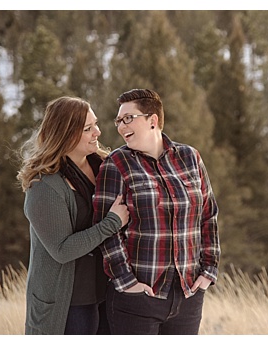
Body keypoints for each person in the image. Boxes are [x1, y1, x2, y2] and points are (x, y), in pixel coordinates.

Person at [93, 89, 220, 334]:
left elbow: (208, 215)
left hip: (188, 294)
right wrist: (127, 282)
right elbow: (106, 229)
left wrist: (209, 270)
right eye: (119, 120)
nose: (121, 126)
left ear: (152, 120)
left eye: (128, 118)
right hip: (137, 299)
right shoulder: (116, 164)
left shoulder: (190, 158)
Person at [17, 97, 132, 335]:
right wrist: (111, 223)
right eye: (88, 129)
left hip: (108, 292)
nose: (97, 132)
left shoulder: (104, 166)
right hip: (70, 304)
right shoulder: (44, 186)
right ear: (66, 134)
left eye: (96, 124)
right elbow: (62, 250)